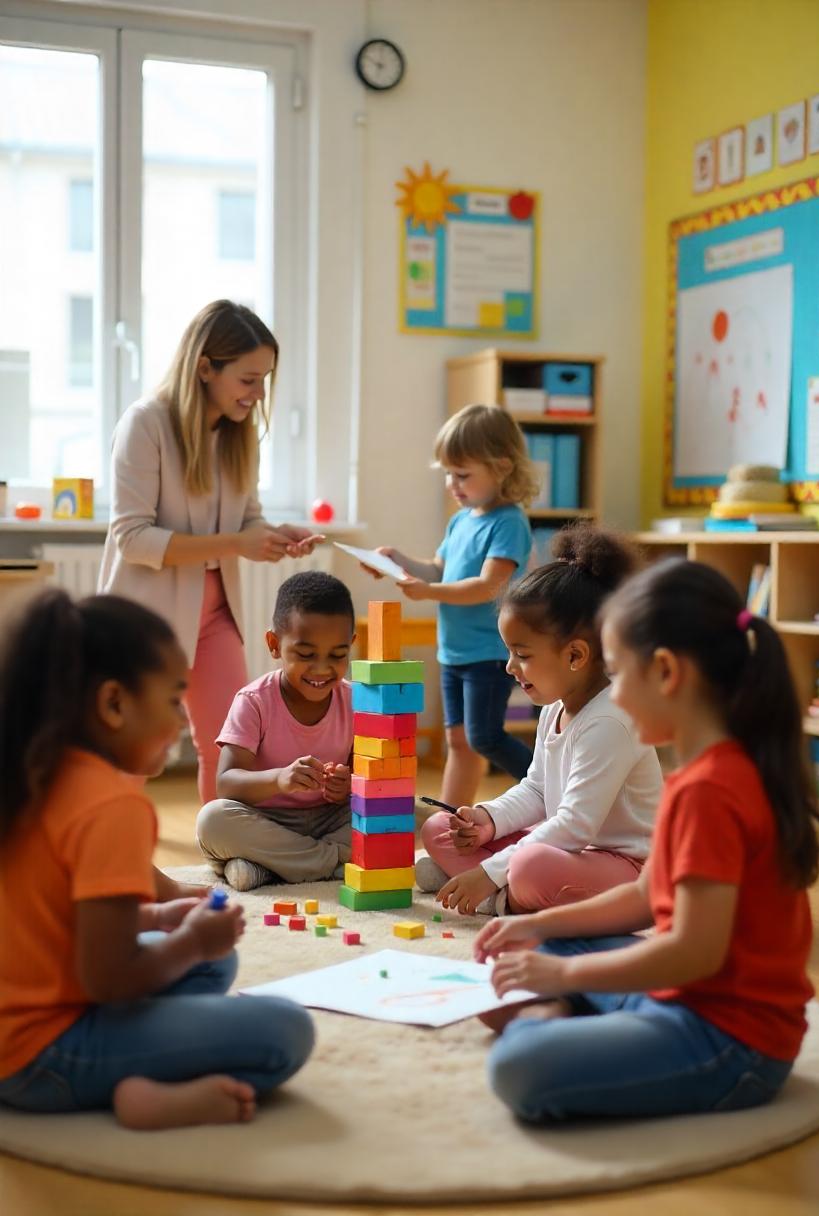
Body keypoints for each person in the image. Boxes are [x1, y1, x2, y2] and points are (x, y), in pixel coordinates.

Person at [475, 558, 819, 1122]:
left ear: (665, 672)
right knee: (537, 951)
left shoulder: (713, 791)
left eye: (617, 672)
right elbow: (646, 897)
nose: (610, 692)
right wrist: (537, 925)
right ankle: (571, 1008)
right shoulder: (703, 774)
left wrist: (563, 978)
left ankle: (562, 1013)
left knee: (518, 1066)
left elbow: (691, 952)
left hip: (732, 1043)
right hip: (687, 997)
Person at [0, 590, 314, 1130]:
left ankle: (149, 1047)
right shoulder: (111, 806)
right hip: (40, 1058)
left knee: (217, 963)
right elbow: (109, 979)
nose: (179, 723)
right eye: (172, 700)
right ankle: (140, 1091)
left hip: (22, 1015)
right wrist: (188, 941)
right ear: (114, 703)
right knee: (285, 1031)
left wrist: (160, 918)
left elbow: (53, 922)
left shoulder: (34, 772)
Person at [99, 300, 324, 804]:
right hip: (145, 621)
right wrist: (236, 542)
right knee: (132, 753)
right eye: (248, 379)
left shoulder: (239, 437)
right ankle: (110, 864)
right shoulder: (145, 424)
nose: (258, 393)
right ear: (205, 368)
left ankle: (222, 856)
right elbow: (131, 537)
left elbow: (246, 520)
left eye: (264, 379)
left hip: (216, 614)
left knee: (229, 747)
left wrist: (271, 534)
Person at [418, 524, 662, 916]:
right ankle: (497, 892)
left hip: (627, 868)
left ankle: (493, 897)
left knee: (531, 869)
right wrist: (487, 820)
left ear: (576, 656)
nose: (510, 667)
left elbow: (574, 826)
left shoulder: (612, 720)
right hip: (573, 850)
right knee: (438, 828)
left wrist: (489, 871)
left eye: (523, 654)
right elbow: (536, 790)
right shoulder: (556, 706)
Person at [367, 404, 536, 807]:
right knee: (458, 741)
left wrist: (430, 593)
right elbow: (437, 568)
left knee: (484, 736)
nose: (451, 484)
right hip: (456, 650)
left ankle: (551, 787)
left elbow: (488, 586)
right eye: (447, 473)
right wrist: (397, 561)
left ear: (501, 467)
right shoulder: (462, 520)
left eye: (462, 475)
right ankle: (450, 816)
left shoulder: (508, 522)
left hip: (489, 652)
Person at [197, 571, 355, 892]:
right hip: (268, 821)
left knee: (405, 811)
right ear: (274, 644)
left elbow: (368, 777)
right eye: (306, 655)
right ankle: (332, 863)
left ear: (350, 646)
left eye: (337, 656)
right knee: (213, 820)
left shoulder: (355, 701)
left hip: (331, 820)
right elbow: (226, 783)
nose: (322, 668)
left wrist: (349, 784)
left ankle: (268, 868)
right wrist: (279, 779)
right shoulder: (254, 701)